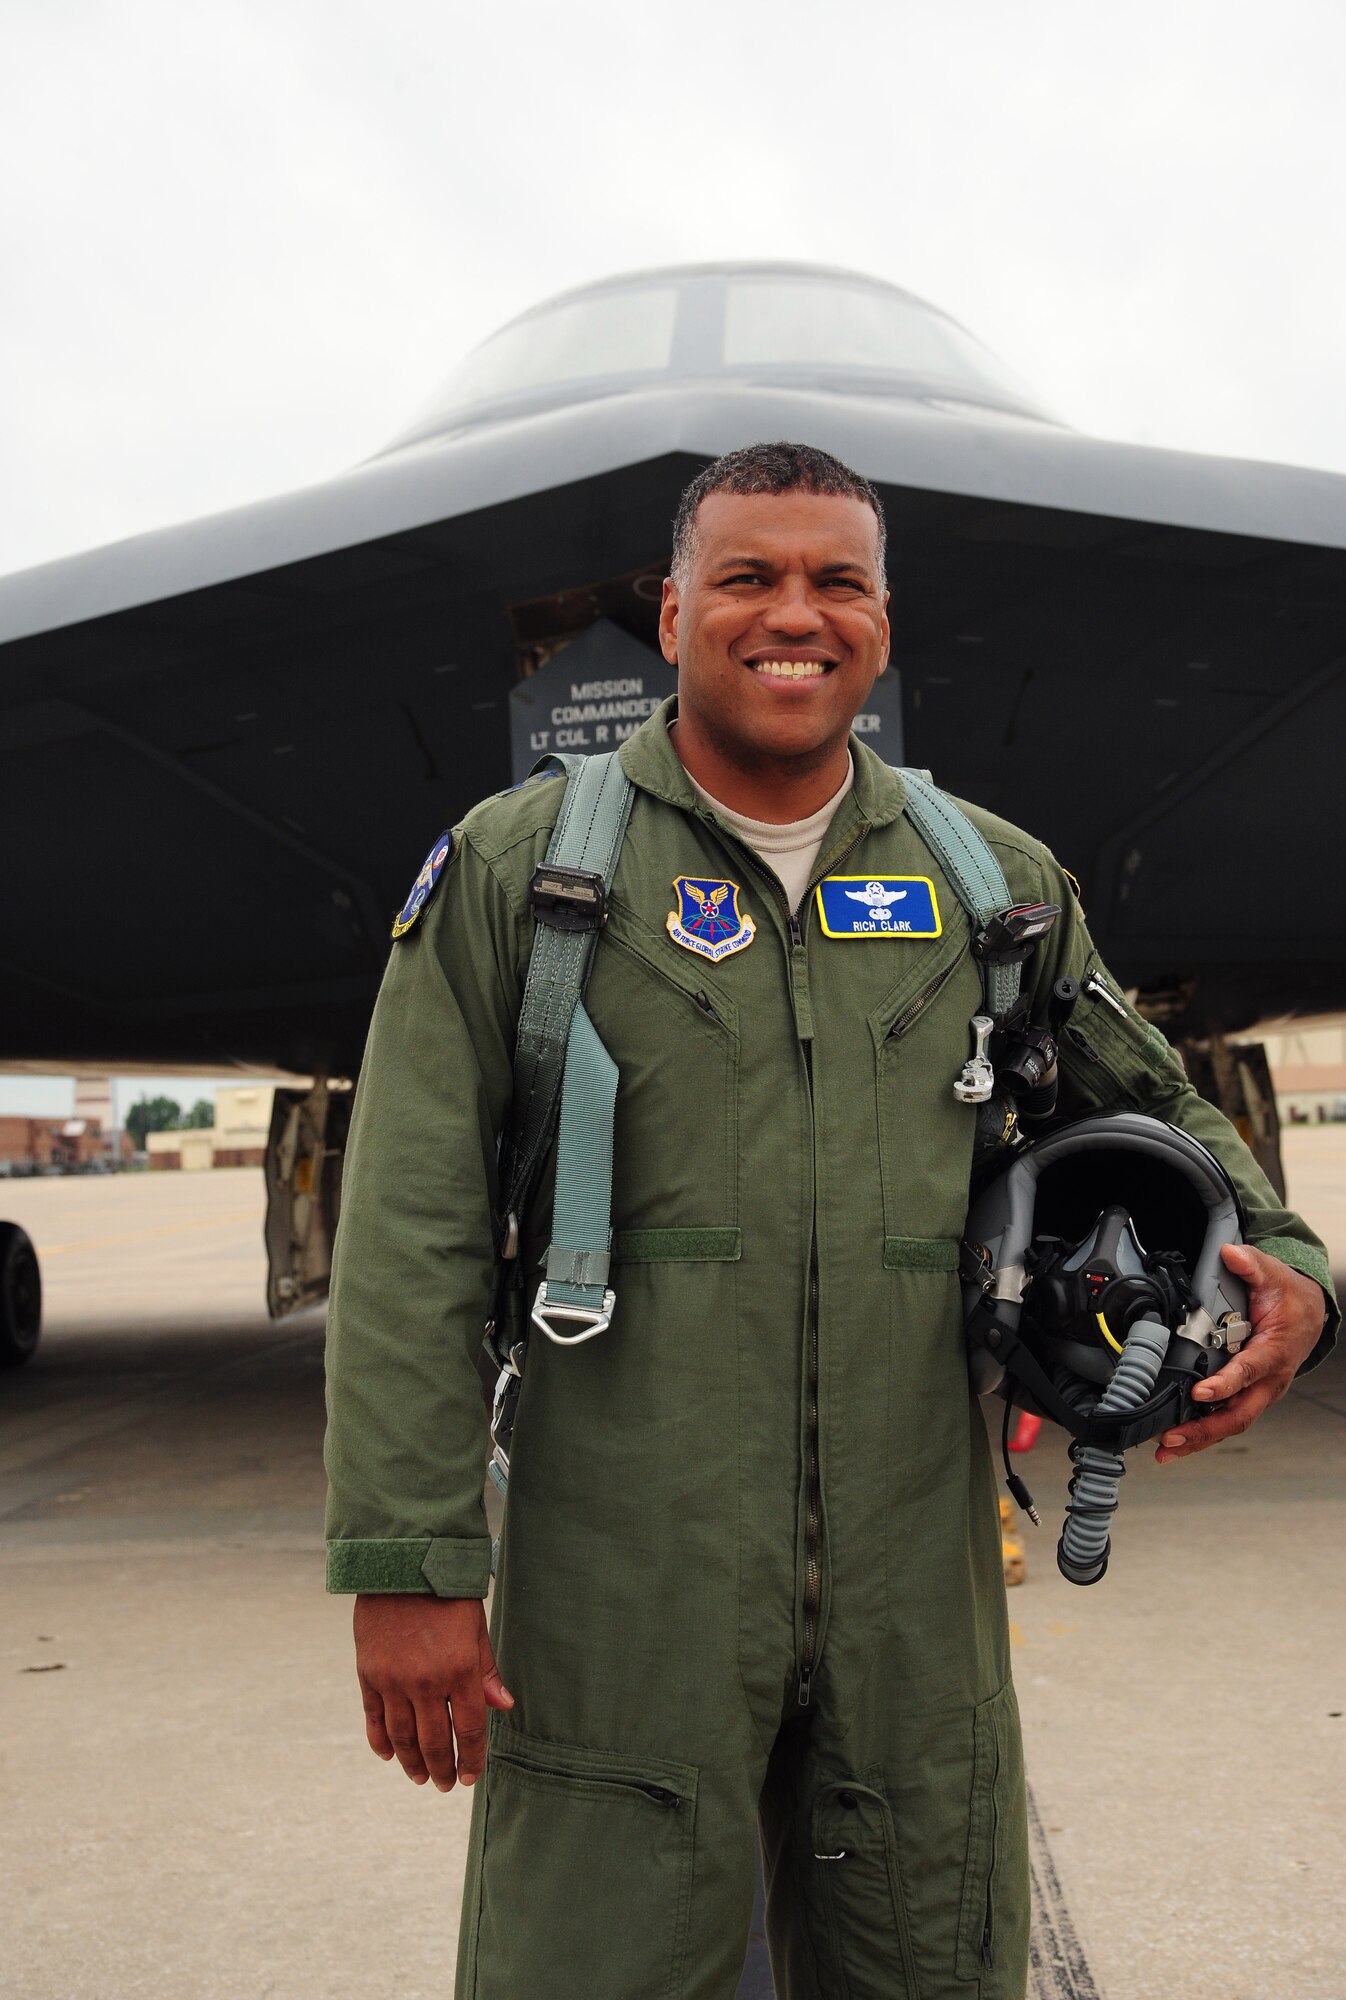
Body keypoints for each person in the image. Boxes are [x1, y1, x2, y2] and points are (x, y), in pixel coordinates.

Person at [324, 442, 1335, 2000]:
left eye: (833, 581)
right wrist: (409, 1562)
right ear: (669, 615)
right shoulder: (527, 877)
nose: (790, 612)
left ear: (877, 620)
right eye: (745, 576)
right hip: (621, 1575)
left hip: (914, 1576)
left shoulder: (990, 881)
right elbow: (406, 1234)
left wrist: (1300, 1276)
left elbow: (1162, 1112)